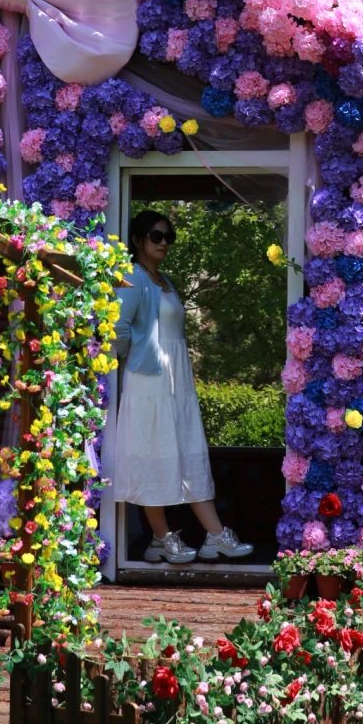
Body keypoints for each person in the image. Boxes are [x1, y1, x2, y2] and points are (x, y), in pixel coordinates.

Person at [112, 209, 253, 565]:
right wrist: (136, 356)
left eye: (168, 237)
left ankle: (215, 537)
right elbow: (117, 329)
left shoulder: (166, 280)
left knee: (188, 451)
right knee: (152, 456)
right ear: (137, 241)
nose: (163, 243)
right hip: (148, 382)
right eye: (156, 236)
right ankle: (161, 539)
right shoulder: (132, 276)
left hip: (177, 382)